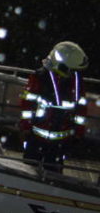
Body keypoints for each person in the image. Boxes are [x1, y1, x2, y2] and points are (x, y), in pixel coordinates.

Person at [19, 41, 89, 170]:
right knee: (28, 170)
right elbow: (27, 103)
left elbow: (81, 108)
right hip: (36, 136)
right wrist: (26, 126)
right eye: (72, 69)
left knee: (54, 173)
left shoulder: (77, 81)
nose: (74, 72)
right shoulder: (39, 77)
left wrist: (79, 132)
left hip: (62, 140)